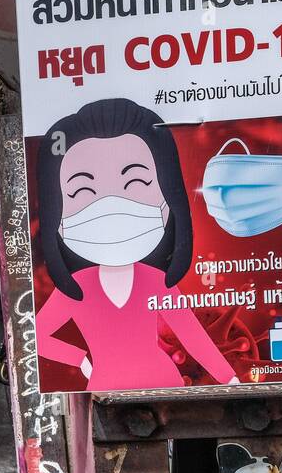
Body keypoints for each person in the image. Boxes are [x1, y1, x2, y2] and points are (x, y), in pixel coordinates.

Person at [34, 98, 238, 390]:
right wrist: (79, 358)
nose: (111, 204)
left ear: (169, 203)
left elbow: (192, 335)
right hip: (107, 391)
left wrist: (229, 379)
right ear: (58, 218)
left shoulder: (158, 281)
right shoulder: (75, 288)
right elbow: (39, 335)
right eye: (82, 190)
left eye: (137, 184)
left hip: (165, 386)